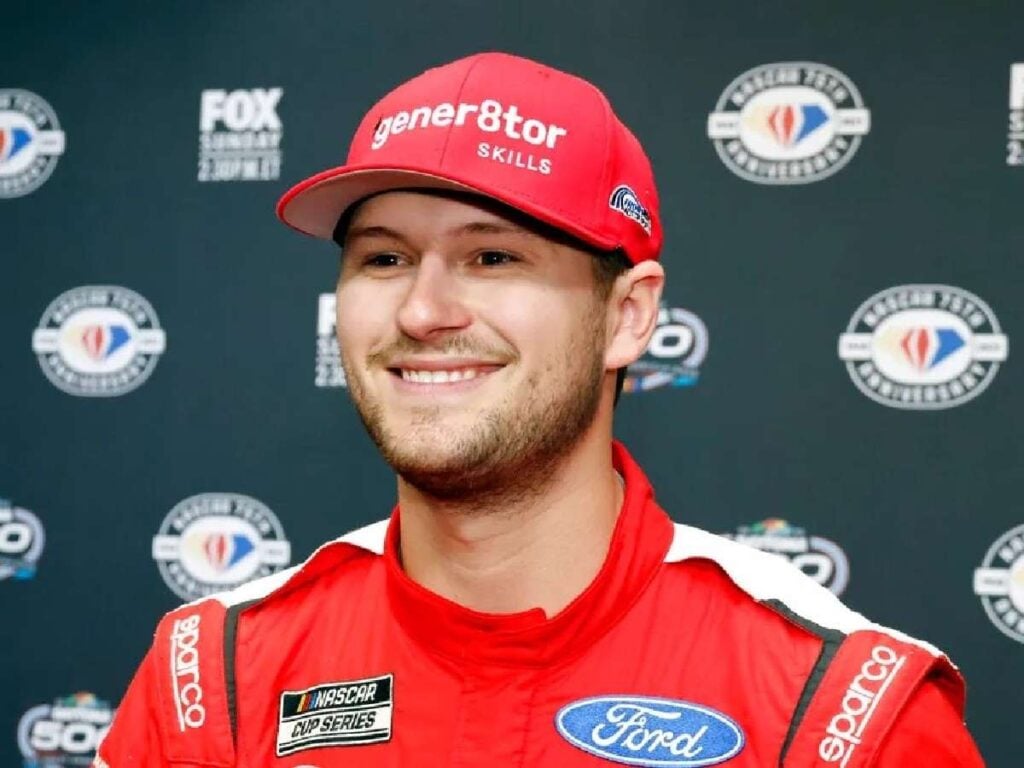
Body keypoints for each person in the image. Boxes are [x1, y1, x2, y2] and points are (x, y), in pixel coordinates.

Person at [93, 52, 984, 767]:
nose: (421, 311)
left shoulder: (838, 712)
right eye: (383, 258)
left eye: (493, 259)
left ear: (626, 316)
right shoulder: (212, 678)